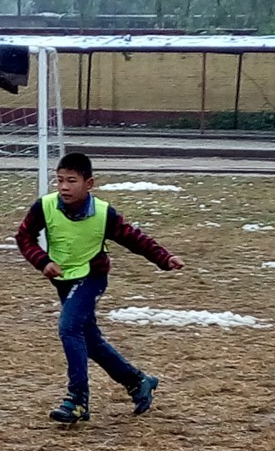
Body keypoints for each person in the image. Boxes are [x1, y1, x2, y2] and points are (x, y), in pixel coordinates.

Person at [15, 151, 184, 423]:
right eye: (59, 180)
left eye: (71, 181)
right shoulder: (44, 206)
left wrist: (164, 258)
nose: (64, 187)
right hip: (63, 279)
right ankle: (137, 381)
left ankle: (77, 399)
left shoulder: (104, 214)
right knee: (89, 341)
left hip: (92, 276)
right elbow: (24, 237)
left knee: (69, 328)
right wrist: (42, 261)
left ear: (89, 184)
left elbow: (135, 239)